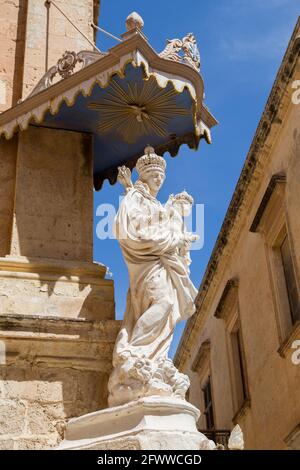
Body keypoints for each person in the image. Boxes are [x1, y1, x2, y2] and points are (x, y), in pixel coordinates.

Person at [108, 147, 198, 407]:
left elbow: (162, 223)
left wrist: (176, 235)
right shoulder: (136, 197)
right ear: (144, 177)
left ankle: (153, 359)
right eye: (154, 176)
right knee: (164, 304)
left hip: (163, 264)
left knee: (168, 311)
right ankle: (135, 353)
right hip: (147, 264)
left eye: (161, 176)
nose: (159, 180)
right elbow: (131, 228)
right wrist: (170, 237)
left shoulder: (152, 201)